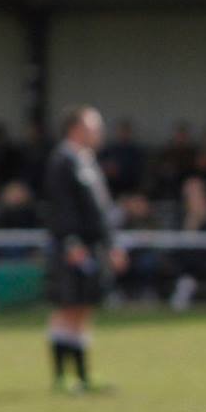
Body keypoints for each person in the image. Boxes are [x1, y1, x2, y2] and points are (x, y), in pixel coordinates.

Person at [44, 106, 125, 393]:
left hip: (93, 246)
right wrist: (71, 242)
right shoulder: (63, 161)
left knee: (83, 308)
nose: (99, 132)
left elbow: (99, 211)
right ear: (76, 129)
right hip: (74, 247)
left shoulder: (86, 160)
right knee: (67, 307)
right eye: (94, 127)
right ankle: (60, 376)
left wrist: (111, 244)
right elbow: (62, 208)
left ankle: (82, 376)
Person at [169, 175, 206, 311]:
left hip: (203, 257)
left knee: (194, 259)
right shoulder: (180, 213)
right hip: (183, 257)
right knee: (185, 257)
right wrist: (192, 220)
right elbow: (178, 239)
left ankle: (184, 290)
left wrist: (200, 218)